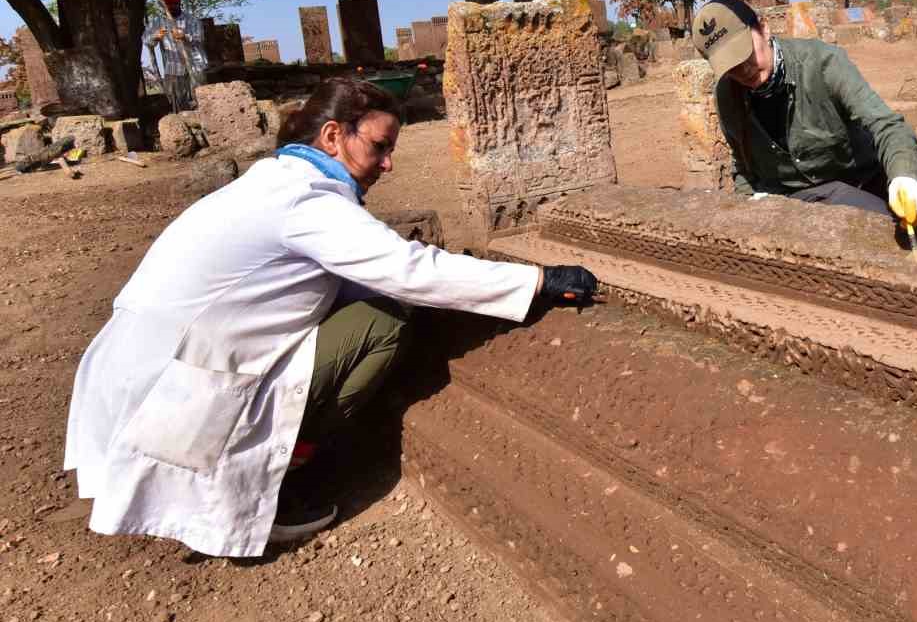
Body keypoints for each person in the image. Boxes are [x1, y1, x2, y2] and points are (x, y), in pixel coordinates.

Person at [63, 77, 598, 558]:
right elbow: (406, 271)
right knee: (384, 320)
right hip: (178, 382)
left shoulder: (272, 183)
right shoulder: (304, 201)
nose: (388, 164)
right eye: (380, 146)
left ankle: (270, 461)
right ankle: (282, 474)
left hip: (147, 369)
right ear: (333, 136)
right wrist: (536, 281)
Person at [693, 0, 917, 225]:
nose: (743, 69)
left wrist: (903, 177)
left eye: (745, 53)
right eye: (730, 66)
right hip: (810, 196)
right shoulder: (729, 94)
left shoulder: (823, 63)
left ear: (764, 28)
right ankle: (896, 243)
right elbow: (743, 167)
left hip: (865, 173)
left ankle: (913, 246)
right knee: (859, 211)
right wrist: (754, 208)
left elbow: (886, 124)